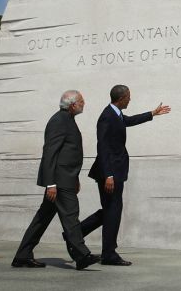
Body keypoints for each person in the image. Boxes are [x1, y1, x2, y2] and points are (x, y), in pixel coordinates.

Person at [66, 84, 170, 266]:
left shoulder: (116, 114)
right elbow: (103, 147)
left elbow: (128, 121)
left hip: (114, 171)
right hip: (110, 173)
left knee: (111, 211)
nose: (130, 99)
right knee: (112, 210)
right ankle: (106, 252)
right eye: (129, 96)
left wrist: (152, 113)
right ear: (121, 98)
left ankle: (80, 237)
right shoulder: (107, 116)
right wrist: (108, 175)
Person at [12, 90, 100, 270]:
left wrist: (74, 178)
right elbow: (50, 152)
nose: (84, 103)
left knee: (42, 219)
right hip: (59, 181)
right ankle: (82, 255)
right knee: (70, 215)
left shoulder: (67, 120)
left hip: (66, 178)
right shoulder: (59, 121)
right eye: (82, 101)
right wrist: (50, 183)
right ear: (73, 104)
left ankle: (22, 255)